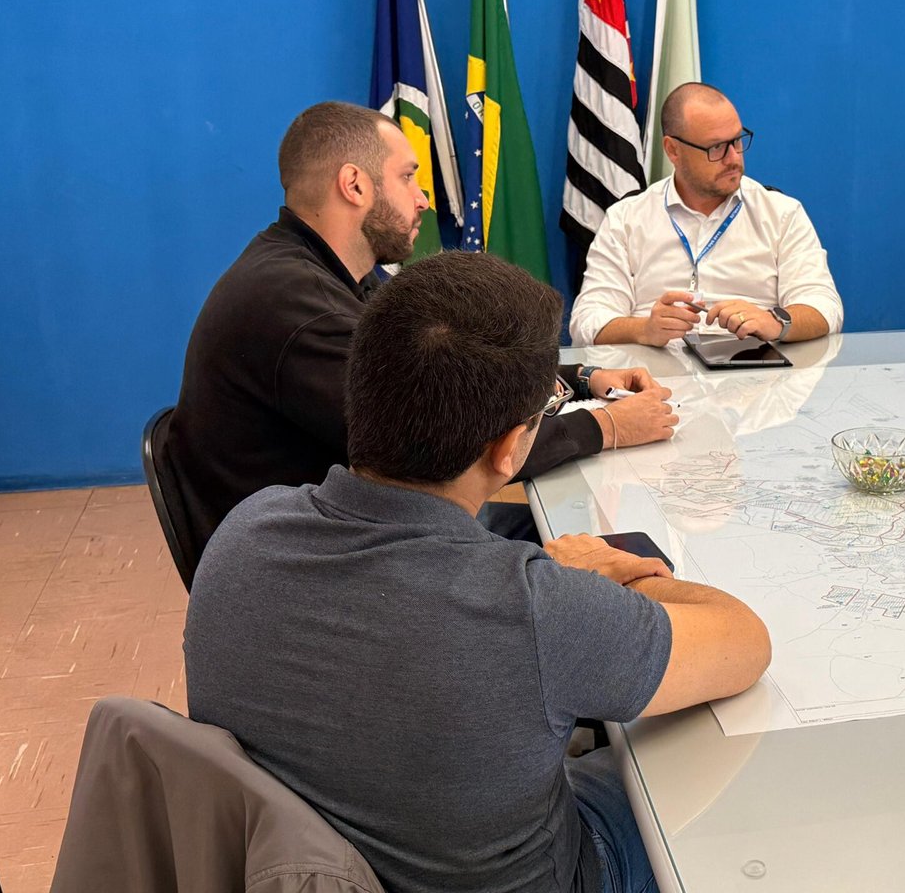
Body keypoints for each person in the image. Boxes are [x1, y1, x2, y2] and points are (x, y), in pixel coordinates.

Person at [185, 251, 772, 893]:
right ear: (510, 448)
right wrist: (603, 577)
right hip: (557, 874)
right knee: (699, 765)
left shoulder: (242, 533)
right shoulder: (535, 610)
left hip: (303, 864)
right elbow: (744, 641)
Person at [169, 101, 676, 561]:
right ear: (355, 185)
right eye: (408, 177)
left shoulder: (322, 272)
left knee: (589, 533)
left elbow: (455, 367)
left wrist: (582, 378)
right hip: (315, 562)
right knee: (605, 557)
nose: (423, 200)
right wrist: (607, 428)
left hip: (349, 523)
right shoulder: (302, 309)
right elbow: (450, 445)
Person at [568, 82, 843, 347]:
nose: (734, 158)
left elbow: (825, 307)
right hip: (653, 372)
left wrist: (775, 321)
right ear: (673, 150)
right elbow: (587, 320)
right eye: (716, 148)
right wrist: (644, 330)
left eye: (737, 141)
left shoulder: (781, 213)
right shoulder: (626, 219)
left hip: (755, 370)